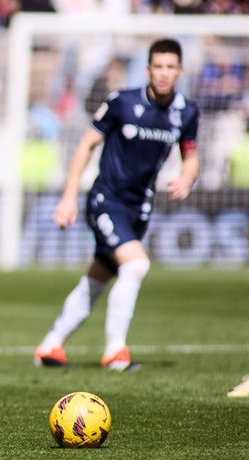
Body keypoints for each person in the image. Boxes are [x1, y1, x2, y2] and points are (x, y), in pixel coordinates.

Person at [33, 38, 199, 371]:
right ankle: (115, 352)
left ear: (179, 71)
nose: (164, 74)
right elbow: (86, 145)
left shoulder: (186, 111)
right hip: (105, 201)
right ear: (147, 69)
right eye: (159, 66)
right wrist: (69, 196)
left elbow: (191, 155)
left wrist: (187, 177)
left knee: (98, 277)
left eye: (170, 67)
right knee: (136, 265)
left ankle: (50, 345)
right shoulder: (122, 102)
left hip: (140, 208)